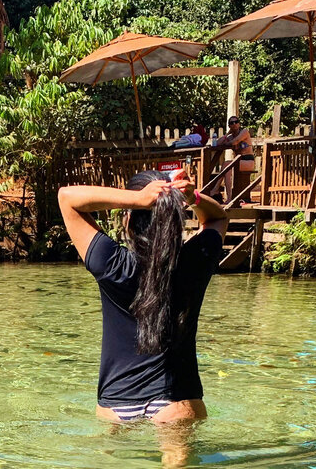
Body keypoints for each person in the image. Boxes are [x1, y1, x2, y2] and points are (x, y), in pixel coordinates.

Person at [56, 170, 228, 426]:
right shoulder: (195, 260)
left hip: (116, 404)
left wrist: (137, 199)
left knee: (107, 466)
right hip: (177, 402)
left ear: (129, 220)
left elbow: (67, 197)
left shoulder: (112, 264)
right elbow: (219, 217)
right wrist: (193, 197)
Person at [204, 115, 255, 202]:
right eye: (232, 123)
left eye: (236, 122)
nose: (234, 124)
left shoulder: (244, 132)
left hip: (248, 161)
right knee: (226, 167)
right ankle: (229, 196)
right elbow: (217, 143)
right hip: (238, 162)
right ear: (229, 126)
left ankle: (216, 189)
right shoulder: (230, 136)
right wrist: (227, 134)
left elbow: (235, 141)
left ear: (239, 124)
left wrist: (228, 143)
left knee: (226, 165)